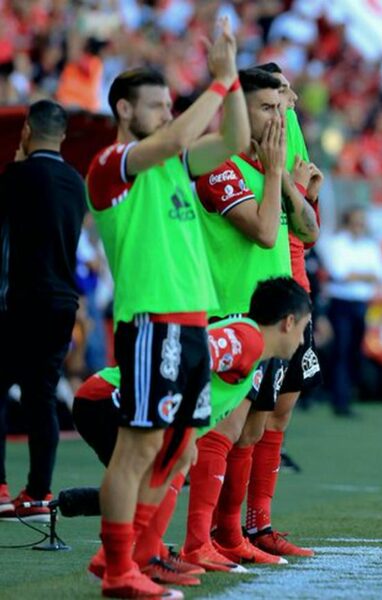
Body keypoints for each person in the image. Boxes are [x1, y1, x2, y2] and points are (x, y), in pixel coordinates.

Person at [84, 18, 249, 599]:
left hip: (191, 323)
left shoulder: (175, 164)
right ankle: (118, 566)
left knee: (173, 450)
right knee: (138, 448)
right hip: (153, 321)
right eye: (156, 105)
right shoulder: (113, 165)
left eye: (168, 104)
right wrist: (223, 81)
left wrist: (229, 90)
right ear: (126, 111)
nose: (166, 113)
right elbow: (180, 138)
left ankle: (130, 558)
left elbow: (231, 142)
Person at [73, 277, 311, 580]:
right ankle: (130, 558)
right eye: (303, 329)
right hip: (108, 398)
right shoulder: (247, 340)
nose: (303, 341)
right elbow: (193, 353)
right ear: (289, 322)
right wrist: (181, 423)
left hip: (106, 398)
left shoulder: (251, 346)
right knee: (165, 465)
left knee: (174, 462)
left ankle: (136, 554)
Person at [191, 65, 320, 566]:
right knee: (222, 434)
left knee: (254, 426)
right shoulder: (221, 166)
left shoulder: (276, 164)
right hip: (230, 317)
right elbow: (266, 234)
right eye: (267, 106)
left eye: (282, 105)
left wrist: (289, 184)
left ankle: (240, 531)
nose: (279, 115)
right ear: (236, 111)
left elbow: (306, 231)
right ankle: (211, 537)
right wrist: (276, 177)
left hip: (269, 323)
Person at [245, 61, 324, 558]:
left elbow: (308, 232)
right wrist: (293, 190)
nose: (288, 101)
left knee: (279, 416)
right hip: (261, 301)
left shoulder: (289, 133)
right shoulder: (239, 153)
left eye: (288, 95)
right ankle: (226, 531)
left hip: (298, 292)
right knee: (249, 420)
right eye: (277, 96)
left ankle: (259, 524)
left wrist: (306, 194)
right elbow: (268, 231)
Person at [0, 99, 86, 521]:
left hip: (24, 300)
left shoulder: (17, 176)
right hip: (63, 302)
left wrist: (15, 167)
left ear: (28, 132)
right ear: (64, 135)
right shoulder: (76, 181)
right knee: (42, 396)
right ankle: (37, 494)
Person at [322, 207, 382, 417]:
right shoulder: (337, 243)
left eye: (362, 221)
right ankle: (339, 400)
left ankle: (346, 396)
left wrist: (356, 275)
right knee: (341, 351)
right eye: (356, 220)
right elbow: (340, 274)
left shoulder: (370, 245)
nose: (359, 225)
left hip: (361, 303)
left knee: (354, 352)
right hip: (341, 303)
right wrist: (365, 275)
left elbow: (381, 275)